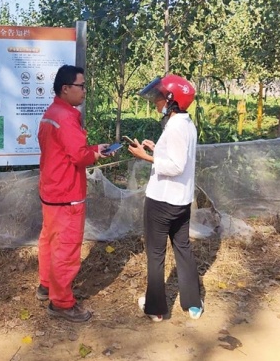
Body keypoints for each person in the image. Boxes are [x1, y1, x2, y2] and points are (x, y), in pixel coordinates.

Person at [36, 64, 111, 323]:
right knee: (66, 249)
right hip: (67, 193)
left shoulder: (51, 113)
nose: (84, 91)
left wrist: (94, 148)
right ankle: (61, 303)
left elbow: (65, 150)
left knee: (50, 241)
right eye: (81, 86)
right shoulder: (67, 116)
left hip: (51, 190)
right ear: (66, 88)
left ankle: (46, 285)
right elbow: (79, 156)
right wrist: (94, 154)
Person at [127, 74, 204, 322]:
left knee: (156, 253)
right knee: (183, 248)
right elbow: (178, 156)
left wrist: (145, 157)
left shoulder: (175, 127)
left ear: (172, 101)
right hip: (181, 201)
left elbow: (176, 166)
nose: (155, 102)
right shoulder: (186, 123)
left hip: (161, 201)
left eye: (159, 97)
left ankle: (156, 309)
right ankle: (193, 304)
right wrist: (155, 149)